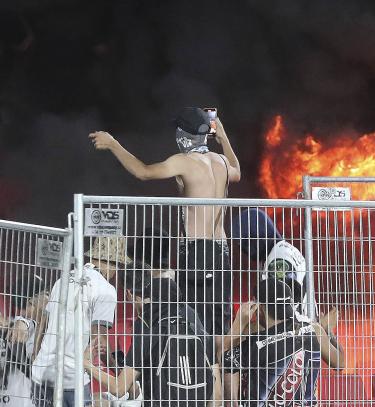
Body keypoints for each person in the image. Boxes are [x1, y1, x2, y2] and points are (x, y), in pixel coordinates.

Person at [90, 107, 242, 348]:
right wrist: (222, 137)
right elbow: (238, 173)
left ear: (183, 135)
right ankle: (216, 379)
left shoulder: (184, 161)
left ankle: (195, 379)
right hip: (222, 254)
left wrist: (113, 144)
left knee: (194, 327)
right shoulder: (221, 161)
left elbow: (143, 172)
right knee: (217, 329)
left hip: (197, 253)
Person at [83, 269, 213, 407]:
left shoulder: (149, 330)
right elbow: (215, 395)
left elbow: (119, 388)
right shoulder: (198, 329)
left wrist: (85, 363)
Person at [31, 237, 129, 407]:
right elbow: (101, 342)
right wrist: (120, 373)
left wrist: (36, 359)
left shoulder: (61, 280)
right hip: (71, 379)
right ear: (113, 264)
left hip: (41, 373)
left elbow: (43, 325)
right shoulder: (106, 290)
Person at [222, 278, 344, 406]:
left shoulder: (257, 343)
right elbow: (340, 363)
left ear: (260, 307)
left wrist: (239, 323)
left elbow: (224, 358)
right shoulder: (314, 330)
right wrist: (328, 331)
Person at [0, 275, 50, 407]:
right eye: (46, 293)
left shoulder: (35, 326)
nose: (49, 297)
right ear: (32, 300)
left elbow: (26, 323)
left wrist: (23, 323)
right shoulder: (18, 325)